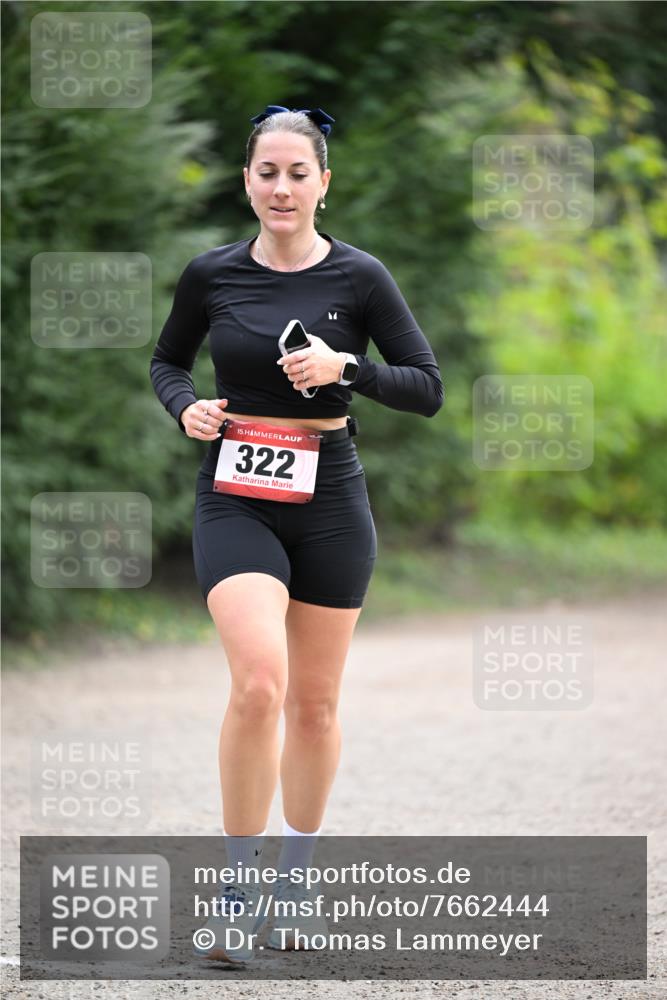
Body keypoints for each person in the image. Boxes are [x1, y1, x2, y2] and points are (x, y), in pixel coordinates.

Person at [150, 104, 444, 964]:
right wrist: (186, 407)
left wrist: (344, 368)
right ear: (246, 180)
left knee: (314, 706)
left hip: (330, 500)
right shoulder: (211, 274)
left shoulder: (360, 277)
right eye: (266, 172)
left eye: (297, 173)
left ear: (323, 183)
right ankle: (237, 894)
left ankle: (295, 887)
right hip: (235, 492)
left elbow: (425, 387)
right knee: (258, 685)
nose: (281, 187)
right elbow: (167, 361)